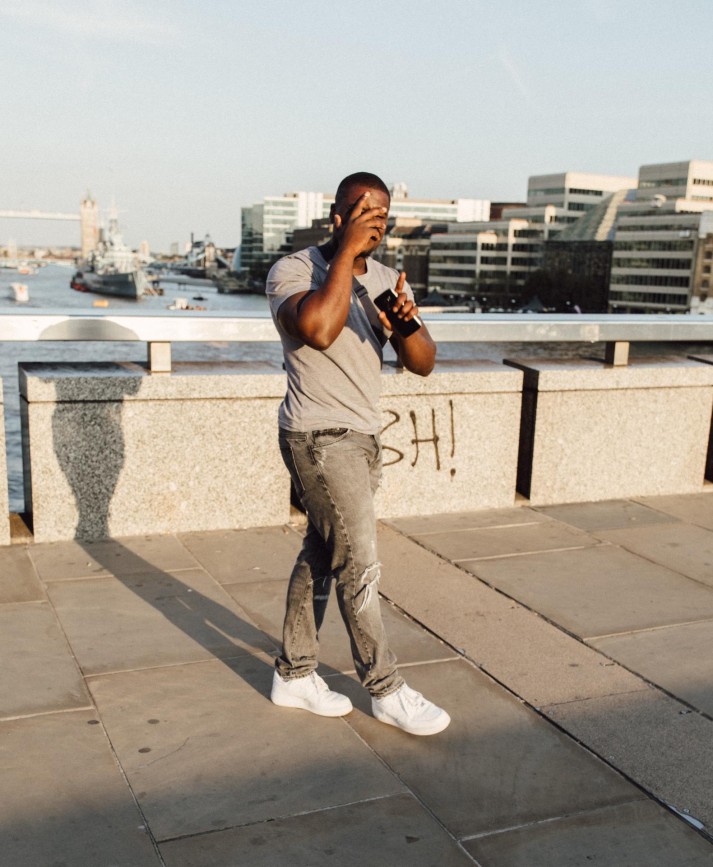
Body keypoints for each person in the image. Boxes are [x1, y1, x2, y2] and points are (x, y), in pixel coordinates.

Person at [265, 171, 450, 736]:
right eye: (365, 212)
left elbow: (423, 363)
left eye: (383, 215)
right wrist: (346, 255)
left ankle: (295, 674)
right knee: (360, 563)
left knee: (323, 553)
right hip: (317, 437)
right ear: (338, 216)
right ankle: (385, 687)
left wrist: (405, 325)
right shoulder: (294, 270)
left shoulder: (388, 280)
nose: (377, 223)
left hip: (365, 438)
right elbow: (318, 330)